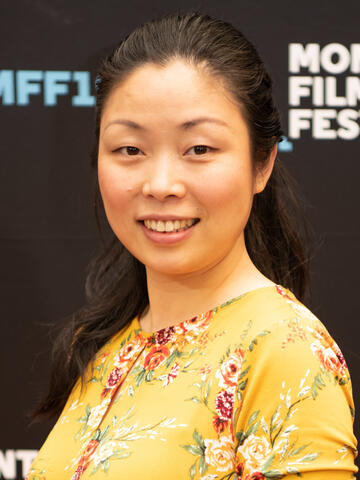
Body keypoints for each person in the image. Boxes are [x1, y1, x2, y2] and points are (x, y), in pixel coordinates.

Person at [27, 12, 357, 480]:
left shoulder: (285, 351)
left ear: (261, 164)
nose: (161, 184)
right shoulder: (104, 345)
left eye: (199, 149)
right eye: (130, 150)